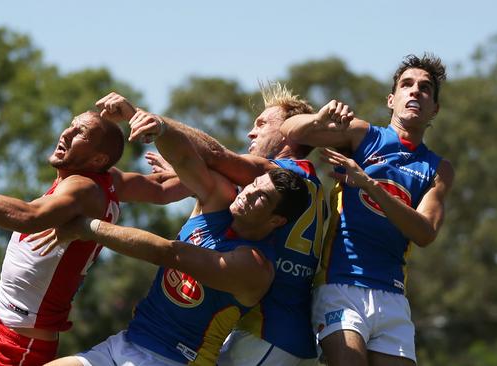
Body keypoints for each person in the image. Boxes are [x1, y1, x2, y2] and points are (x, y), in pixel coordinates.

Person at [0, 110, 186, 366]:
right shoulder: (110, 180)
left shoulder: (83, 189)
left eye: (80, 133)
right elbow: (161, 189)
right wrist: (188, 175)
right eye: (71, 125)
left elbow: (29, 216)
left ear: (97, 158)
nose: (66, 133)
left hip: (17, 344)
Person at [31, 104, 311, 366]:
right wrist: (158, 127)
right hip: (127, 341)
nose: (248, 194)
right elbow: (186, 158)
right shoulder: (218, 200)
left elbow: (168, 253)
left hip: (170, 359)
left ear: (277, 220)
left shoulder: (254, 266)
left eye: (261, 198)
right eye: (253, 186)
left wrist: (88, 227)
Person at [131, 85, 354, 365]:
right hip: (280, 333)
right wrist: (186, 173)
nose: (251, 132)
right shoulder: (304, 184)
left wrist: (160, 125)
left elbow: (215, 155)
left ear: (290, 133)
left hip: (270, 332)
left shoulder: (279, 175)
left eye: (262, 124)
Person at [280, 53, 455, 365]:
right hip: (341, 285)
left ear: (435, 109)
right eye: (407, 85)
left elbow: (425, 232)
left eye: (425, 88)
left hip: (393, 296)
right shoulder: (364, 135)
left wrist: (368, 184)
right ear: (392, 99)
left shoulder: (438, 168)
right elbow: (291, 131)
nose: (415, 91)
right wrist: (318, 120)